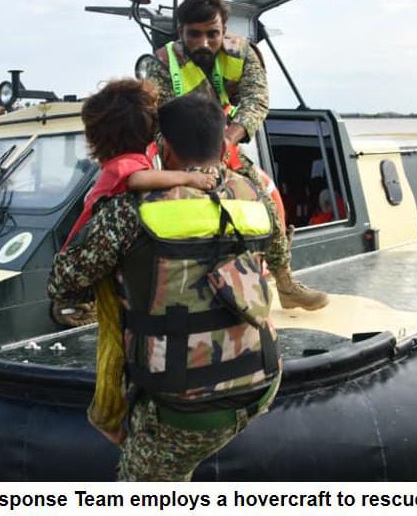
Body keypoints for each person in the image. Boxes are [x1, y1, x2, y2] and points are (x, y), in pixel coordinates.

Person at [50, 93, 282, 481]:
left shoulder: (132, 209)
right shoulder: (255, 194)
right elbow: (277, 254)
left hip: (186, 402)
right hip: (262, 378)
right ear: (221, 146)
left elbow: (63, 281)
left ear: (163, 148)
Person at [51, 78, 217, 445]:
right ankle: (107, 415)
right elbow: (139, 179)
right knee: (112, 340)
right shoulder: (128, 166)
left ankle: (115, 410)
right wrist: (189, 178)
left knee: (117, 338)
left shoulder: (116, 163)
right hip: (92, 262)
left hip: (94, 257)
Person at [145, 0, 329, 310]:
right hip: (174, 151)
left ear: (225, 30)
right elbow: (155, 117)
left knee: (266, 205)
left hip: (220, 145)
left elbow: (257, 100)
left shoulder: (243, 54)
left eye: (212, 34)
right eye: (194, 34)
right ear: (180, 32)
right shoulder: (162, 63)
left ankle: (284, 282)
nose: (204, 42)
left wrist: (228, 139)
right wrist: (185, 165)